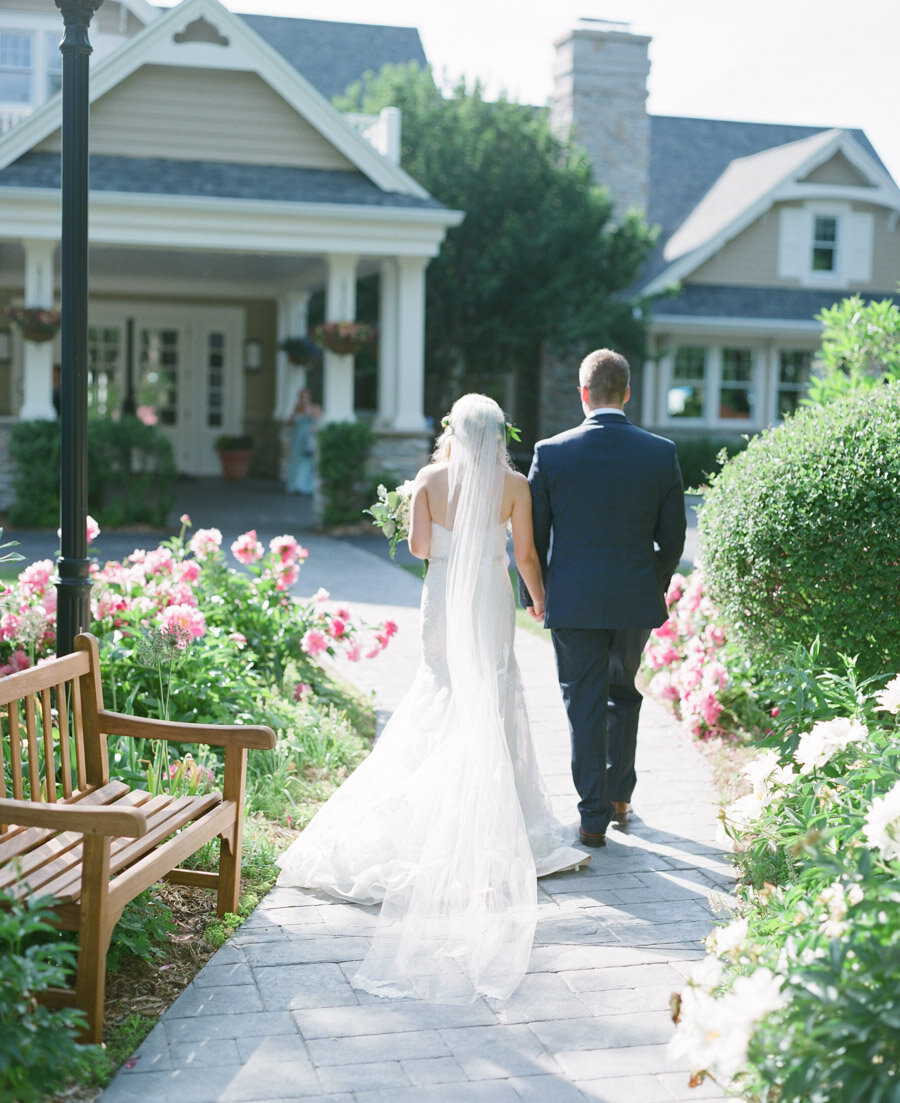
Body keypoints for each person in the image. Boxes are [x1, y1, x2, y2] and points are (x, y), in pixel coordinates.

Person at [277, 393, 588, 1002]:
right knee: (493, 692)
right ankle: (499, 819)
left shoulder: (427, 477)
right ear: (498, 435)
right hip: (489, 599)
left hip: (443, 596)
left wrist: (429, 525)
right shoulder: (515, 484)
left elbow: (419, 550)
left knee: (441, 688)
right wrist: (540, 598)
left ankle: (426, 811)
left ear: (452, 430)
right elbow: (524, 553)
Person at [520, 349, 686, 848]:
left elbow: (531, 538)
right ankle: (619, 797)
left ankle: (592, 817)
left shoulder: (551, 453)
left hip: (572, 601)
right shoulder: (660, 452)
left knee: (583, 704)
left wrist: (538, 594)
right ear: (627, 392)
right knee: (623, 691)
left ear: (583, 394)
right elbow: (673, 537)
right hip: (633, 599)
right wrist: (649, 580)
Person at [285, 389, 320, 494]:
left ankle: (305, 486)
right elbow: (290, 421)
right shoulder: (296, 408)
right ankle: (295, 485)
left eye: (305, 397)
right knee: (296, 461)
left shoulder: (313, 408)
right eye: (301, 397)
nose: (303, 399)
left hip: (307, 438)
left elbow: (317, 420)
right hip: (297, 437)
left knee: (306, 462)